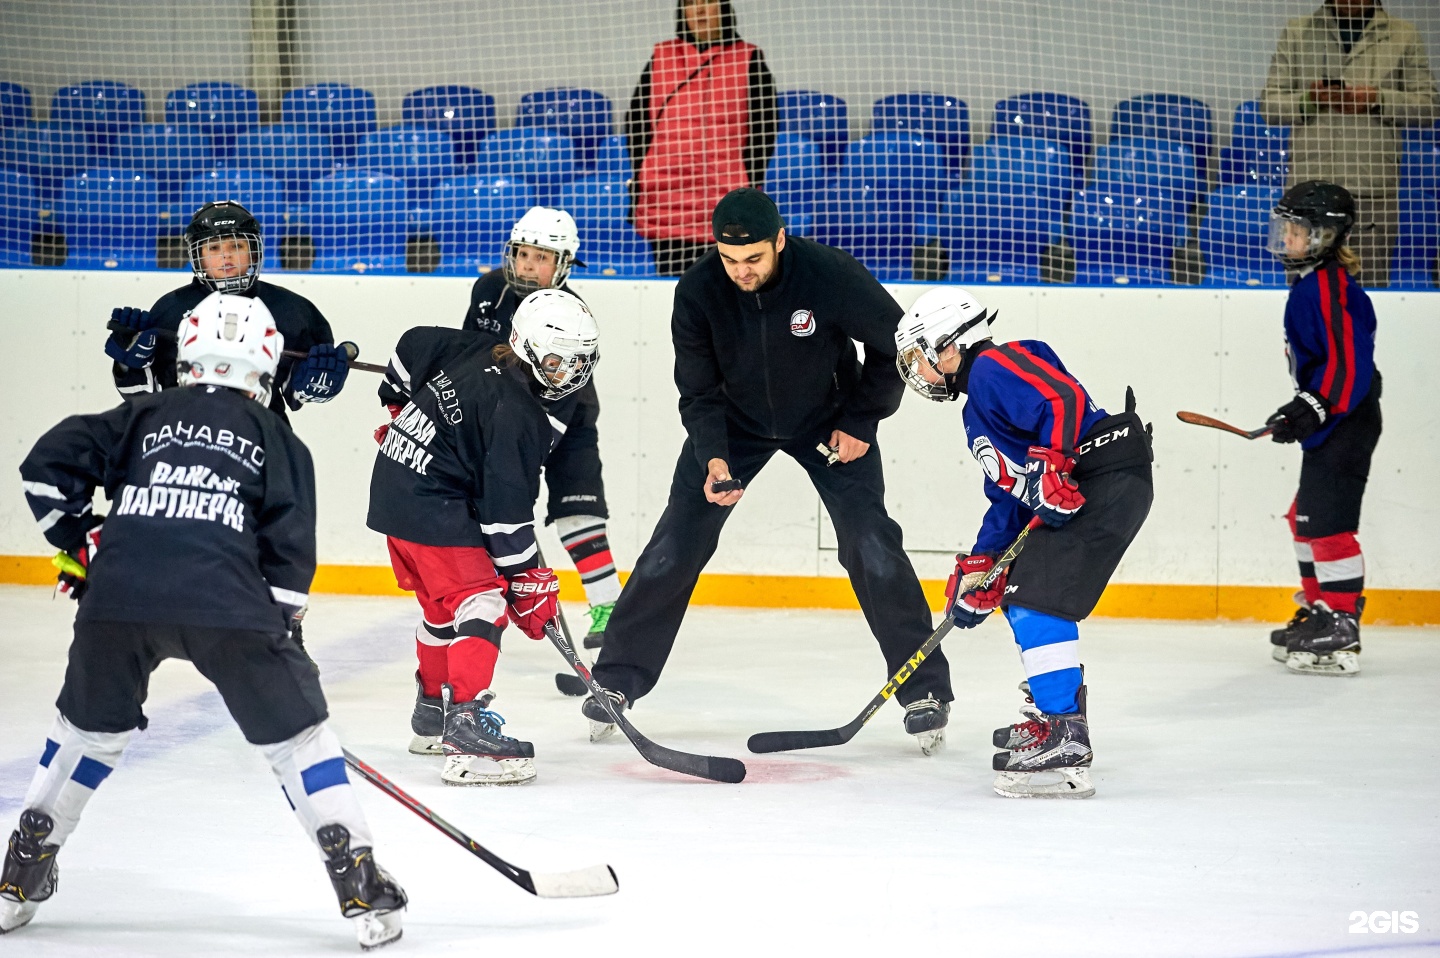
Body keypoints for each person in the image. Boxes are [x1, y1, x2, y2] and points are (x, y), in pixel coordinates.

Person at [2, 293, 406, 949]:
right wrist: (282, 637)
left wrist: (80, 542)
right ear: (268, 357)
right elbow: (289, 554)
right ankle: (357, 878)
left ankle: (22, 868)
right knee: (299, 743)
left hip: (120, 599)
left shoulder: (144, 412)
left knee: (86, 733)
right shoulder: (278, 436)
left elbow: (45, 467)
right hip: (229, 608)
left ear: (188, 351)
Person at [582, 187, 953, 754]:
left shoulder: (828, 274)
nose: (741, 271)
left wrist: (861, 420)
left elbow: (895, 345)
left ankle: (924, 690)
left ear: (780, 240)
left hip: (830, 424)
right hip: (735, 429)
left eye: (753, 258)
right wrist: (714, 456)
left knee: (871, 543)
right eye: (730, 260)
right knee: (673, 546)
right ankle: (614, 682)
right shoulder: (699, 290)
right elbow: (698, 390)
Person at [894, 286, 1152, 799]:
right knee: (1022, 596)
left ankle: (1064, 733)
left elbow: (1062, 401)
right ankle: (1053, 714)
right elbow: (1012, 495)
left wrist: (1052, 463)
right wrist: (983, 564)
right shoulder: (978, 409)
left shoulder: (995, 366)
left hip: (1104, 482)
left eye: (918, 357)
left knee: (1036, 600)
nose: (917, 372)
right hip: (1090, 490)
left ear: (948, 346)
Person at [368, 289, 600, 786]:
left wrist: (398, 411)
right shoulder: (515, 414)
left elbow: (412, 346)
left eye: (582, 360)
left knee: (440, 609)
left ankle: (431, 715)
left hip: (396, 484)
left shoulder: (481, 348)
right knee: (482, 604)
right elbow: (503, 517)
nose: (571, 373)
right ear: (529, 348)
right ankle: (466, 728)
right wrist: (525, 582)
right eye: (559, 360)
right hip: (431, 500)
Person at [462, 207, 620, 649]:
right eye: (523, 253)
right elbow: (467, 355)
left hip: (567, 417)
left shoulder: (572, 312)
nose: (529, 264)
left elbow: (565, 387)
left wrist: (532, 442)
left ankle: (609, 606)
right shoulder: (488, 291)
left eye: (542, 257)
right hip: (502, 420)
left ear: (564, 264)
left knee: (578, 508)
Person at [1262, 181, 1381, 677]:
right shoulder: (1310, 283)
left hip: (1347, 420)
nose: (1285, 236)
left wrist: (1312, 406)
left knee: (1328, 525)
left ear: (1325, 235)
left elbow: (1351, 365)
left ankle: (1341, 622)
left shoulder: (1329, 287)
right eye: (1285, 226)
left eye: (1296, 228)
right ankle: (1320, 611)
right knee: (1303, 518)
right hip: (1333, 418)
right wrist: (1304, 409)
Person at [105, 200, 352, 417]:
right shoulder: (170, 309)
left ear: (253, 253)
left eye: (237, 246)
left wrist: (316, 385)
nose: (226, 257)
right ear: (198, 256)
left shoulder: (292, 309)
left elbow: (297, 391)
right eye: (214, 248)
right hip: (182, 430)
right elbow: (142, 397)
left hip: (262, 431)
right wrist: (130, 364)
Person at [1259, 0, 1439, 288]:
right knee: (1304, 297)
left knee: (1366, 295)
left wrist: (1377, 99)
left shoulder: (1404, 34)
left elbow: (1430, 107)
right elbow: (1269, 106)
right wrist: (1310, 100)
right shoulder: (1296, 32)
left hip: (1371, 191)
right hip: (1308, 191)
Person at [625, 0, 777, 276]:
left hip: (725, 201)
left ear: (724, 9)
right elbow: (635, 124)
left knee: (723, 294)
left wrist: (747, 181)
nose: (700, 10)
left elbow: (764, 130)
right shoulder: (661, 57)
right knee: (673, 293)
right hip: (667, 202)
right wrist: (645, 174)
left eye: (708, 2)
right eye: (691, 3)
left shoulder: (748, 58)